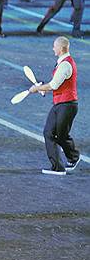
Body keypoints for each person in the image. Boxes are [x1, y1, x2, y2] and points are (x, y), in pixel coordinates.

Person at [28, 37, 80, 175]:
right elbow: (56, 84)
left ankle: (67, 161)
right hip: (61, 104)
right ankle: (62, 163)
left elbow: (54, 85)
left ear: (61, 49)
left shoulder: (65, 65)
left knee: (59, 135)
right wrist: (43, 89)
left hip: (67, 105)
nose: (53, 49)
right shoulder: (62, 63)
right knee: (50, 133)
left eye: (54, 46)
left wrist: (36, 89)